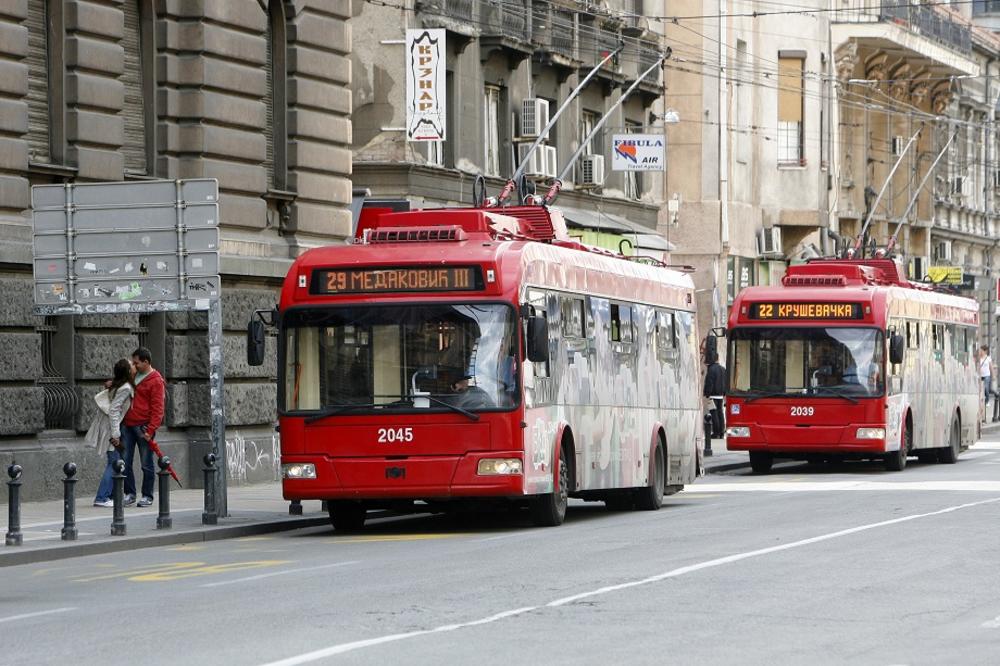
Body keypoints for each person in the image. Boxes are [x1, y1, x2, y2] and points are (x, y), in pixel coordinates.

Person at [86, 359, 134, 507]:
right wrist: (116, 434)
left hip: (110, 427)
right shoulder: (125, 388)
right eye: (131, 365)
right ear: (127, 371)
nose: (134, 366)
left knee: (116, 461)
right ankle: (102, 498)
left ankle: (111, 495)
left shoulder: (118, 385)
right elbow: (114, 410)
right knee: (113, 463)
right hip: (112, 429)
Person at [122, 347, 165, 507]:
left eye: (136, 362)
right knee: (125, 461)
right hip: (128, 425)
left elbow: (158, 408)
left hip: (143, 427)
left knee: (146, 463)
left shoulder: (155, 380)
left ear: (146, 362)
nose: (133, 365)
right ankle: (130, 494)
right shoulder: (133, 375)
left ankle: (147, 495)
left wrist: (150, 430)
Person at [703, 353, 726, 438]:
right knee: (720, 413)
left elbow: (709, 383)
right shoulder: (723, 369)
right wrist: (724, 393)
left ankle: (716, 432)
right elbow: (725, 383)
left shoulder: (711, 369)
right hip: (720, 395)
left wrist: (707, 394)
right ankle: (722, 432)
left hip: (713, 395)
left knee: (714, 414)